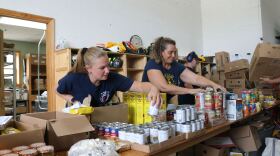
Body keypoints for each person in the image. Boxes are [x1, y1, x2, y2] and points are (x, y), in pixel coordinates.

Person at [56, 47, 161, 107]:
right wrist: (72, 100)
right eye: (102, 68)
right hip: (76, 121)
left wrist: (153, 88)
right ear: (89, 69)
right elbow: (57, 90)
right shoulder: (74, 79)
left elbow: (139, 86)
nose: (107, 71)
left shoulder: (113, 78)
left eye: (108, 65)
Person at [142, 37, 226, 103]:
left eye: (174, 52)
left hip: (162, 105)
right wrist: (190, 91)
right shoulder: (152, 64)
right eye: (170, 52)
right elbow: (163, 87)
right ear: (161, 52)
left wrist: (213, 85)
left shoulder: (176, 65)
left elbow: (195, 78)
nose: (173, 55)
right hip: (147, 104)